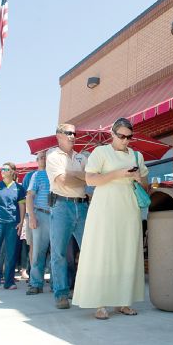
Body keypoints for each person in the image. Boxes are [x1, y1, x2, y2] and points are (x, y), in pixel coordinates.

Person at [73, 117, 147, 319]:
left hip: (129, 207)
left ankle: (124, 302)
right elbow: (90, 179)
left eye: (129, 137)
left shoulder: (137, 156)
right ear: (112, 134)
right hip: (105, 207)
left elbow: (146, 186)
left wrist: (138, 178)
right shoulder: (100, 152)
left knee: (127, 252)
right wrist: (118, 174)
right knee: (104, 252)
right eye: (121, 136)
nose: (125, 140)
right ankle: (100, 303)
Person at [46, 123, 89, 309]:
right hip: (61, 205)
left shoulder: (81, 157)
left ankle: (89, 292)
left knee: (89, 251)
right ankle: (61, 294)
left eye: (74, 133)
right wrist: (81, 177)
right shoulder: (53, 156)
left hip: (82, 205)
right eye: (68, 133)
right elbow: (62, 180)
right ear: (58, 135)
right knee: (59, 253)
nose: (72, 136)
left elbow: (91, 178)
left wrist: (75, 175)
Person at [0, 162, 26, 291]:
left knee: (11, 252)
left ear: (12, 172)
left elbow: (22, 206)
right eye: (2, 169)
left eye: (6, 169)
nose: (3, 171)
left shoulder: (19, 189)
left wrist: (22, 222)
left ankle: (9, 281)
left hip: (13, 223)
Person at [25, 150, 51, 295]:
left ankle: (56, 284)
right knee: (38, 252)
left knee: (57, 253)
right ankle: (35, 283)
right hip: (41, 214)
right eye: (40, 158)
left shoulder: (56, 173)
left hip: (57, 215)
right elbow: (29, 196)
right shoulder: (36, 175)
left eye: (45, 157)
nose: (43, 159)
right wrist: (32, 217)